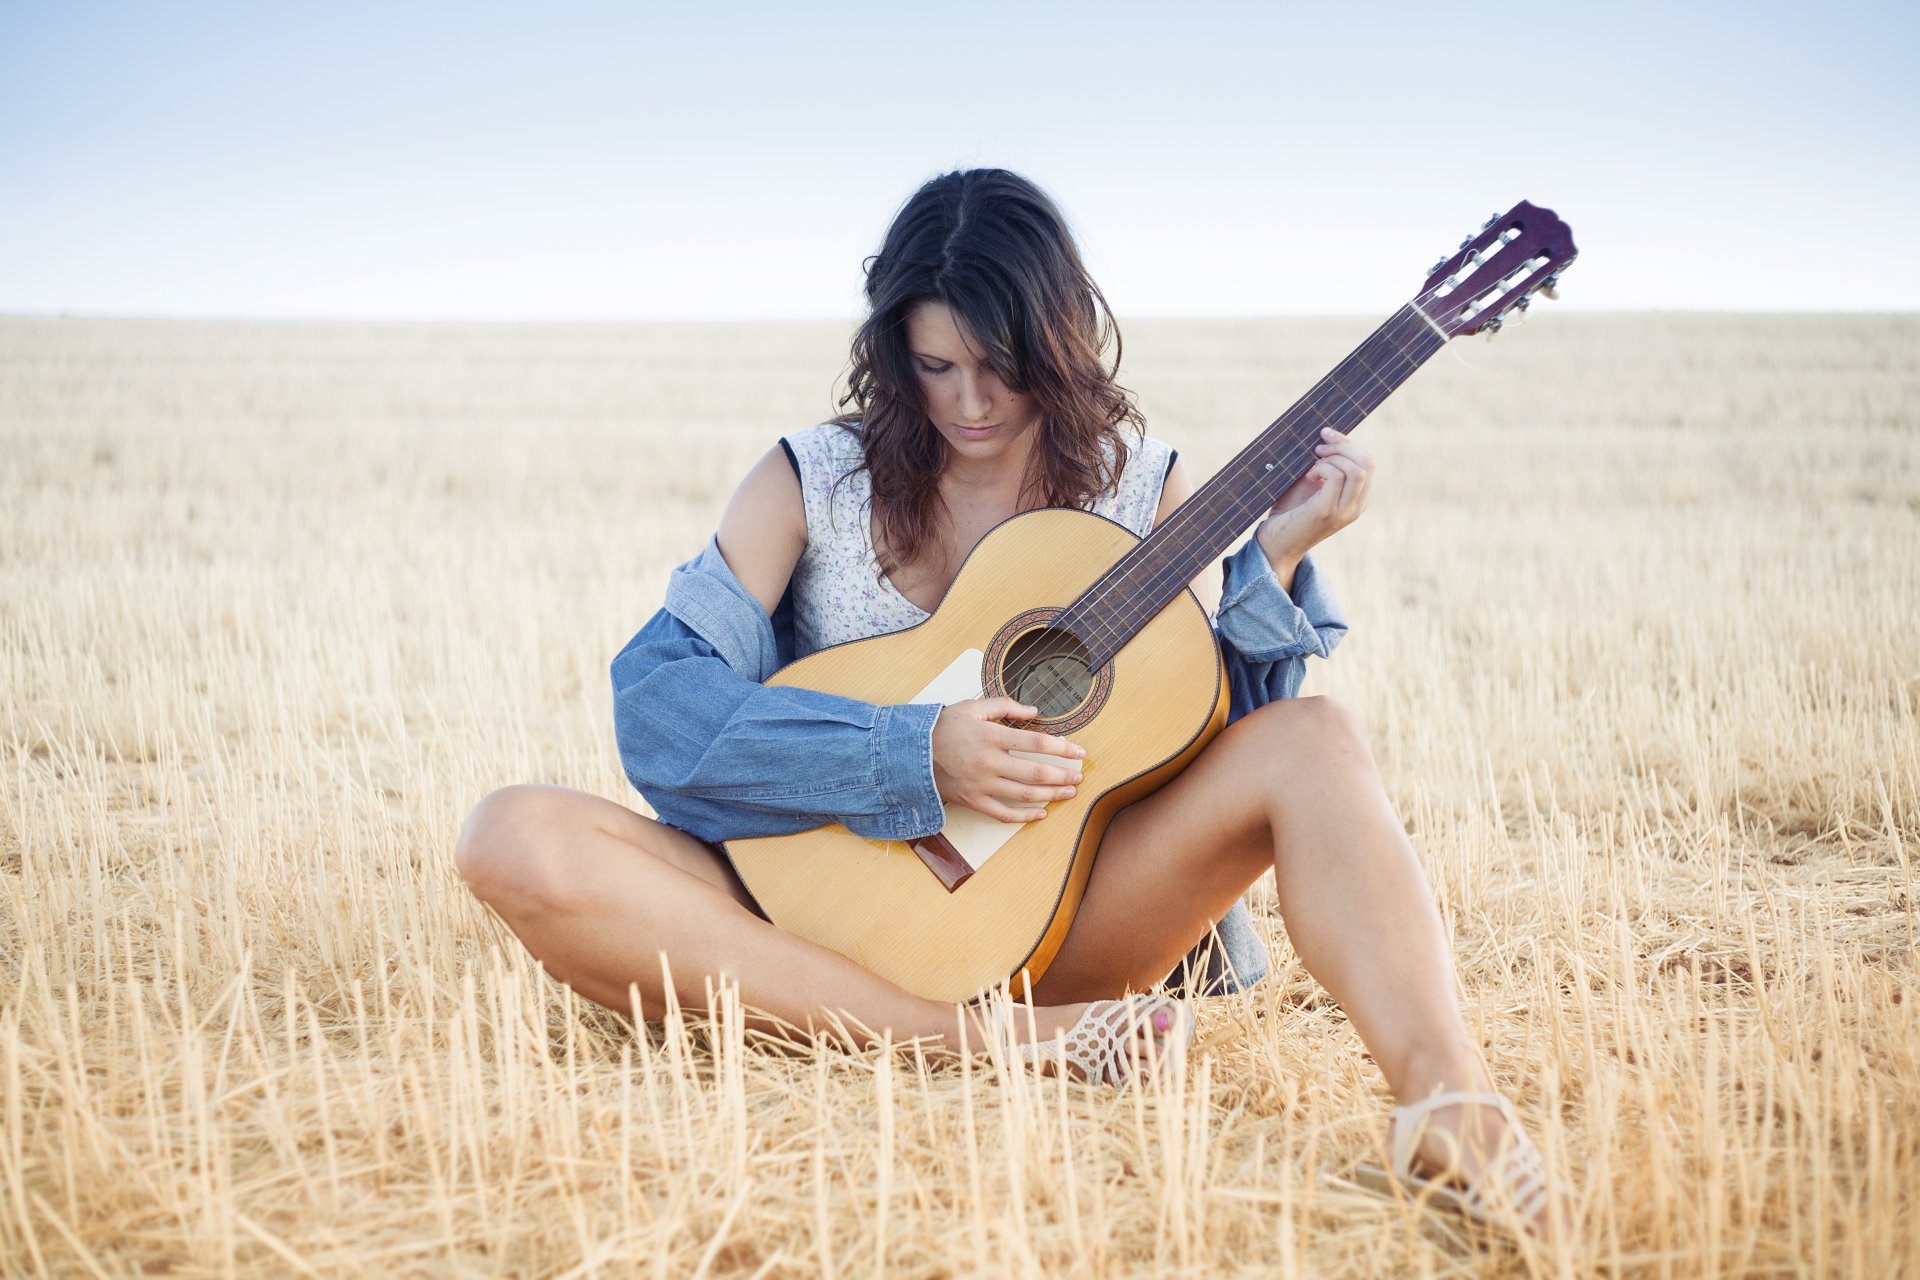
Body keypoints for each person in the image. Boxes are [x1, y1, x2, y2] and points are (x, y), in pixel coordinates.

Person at [454, 168, 1566, 1237]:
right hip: (784, 908)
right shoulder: (808, 481)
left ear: (1059, 340)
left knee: (1316, 737)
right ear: (895, 350)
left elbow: (1198, 746)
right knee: (513, 833)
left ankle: (1450, 1106)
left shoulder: (1144, 490)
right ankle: (991, 1044)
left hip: (1043, 925)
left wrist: (1270, 563)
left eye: (1001, 365)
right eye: (936, 365)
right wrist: (911, 751)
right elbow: (661, 707)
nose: (971, 402)